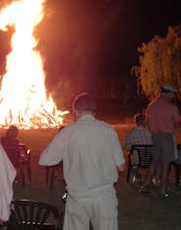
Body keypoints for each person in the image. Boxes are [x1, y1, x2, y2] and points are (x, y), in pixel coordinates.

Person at [39, 92, 126, 230]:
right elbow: (121, 167)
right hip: (104, 196)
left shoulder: (68, 132)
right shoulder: (108, 131)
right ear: (94, 111)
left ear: (75, 110)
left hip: (77, 197)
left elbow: (45, 159)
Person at [140, 85, 181, 198]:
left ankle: (146, 184)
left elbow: (147, 123)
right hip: (166, 137)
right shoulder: (172, 107)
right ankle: (163, 190)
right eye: (173, 93)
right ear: (166, 93)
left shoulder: (151, 105)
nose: (174, 96)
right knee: (166, 164)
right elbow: (177, 124)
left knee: (154, 160)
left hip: (155, 136)